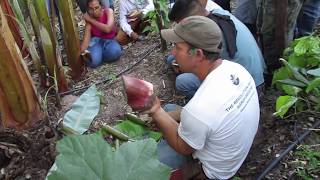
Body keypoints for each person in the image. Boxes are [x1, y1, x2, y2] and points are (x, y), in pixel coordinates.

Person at [144, 16, 260, 179]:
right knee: (170, 110)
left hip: (213, 172)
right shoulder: (236, 69)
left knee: (145, 165)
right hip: (233, 151)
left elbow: (183, 147)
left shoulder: (199, 109)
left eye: (177, 47)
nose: (172, 52)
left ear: (198, 54)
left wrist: (155, 110)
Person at [167, 0, 266, 99]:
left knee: (182, 81)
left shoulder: (208, 34)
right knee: (172, 58)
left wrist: (185, 64)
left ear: (189, 21)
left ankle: (209, 107)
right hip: (259, 73)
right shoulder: (218, 13)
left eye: (181, 26)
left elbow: (205, 65)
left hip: (249, 88)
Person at [80, 0, 122, 68]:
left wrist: (90, 20)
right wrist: (82, 52)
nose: (94, 11)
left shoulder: (108, 11)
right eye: (91, 9)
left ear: (101, 7)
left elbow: (108, 29)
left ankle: (100, 56)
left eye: (96, 7)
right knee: (93, 62)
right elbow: (85, 44)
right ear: (88, 10)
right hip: (96, 42)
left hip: (110, 40)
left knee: (116, 52)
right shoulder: (89, 25)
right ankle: (99, 56)